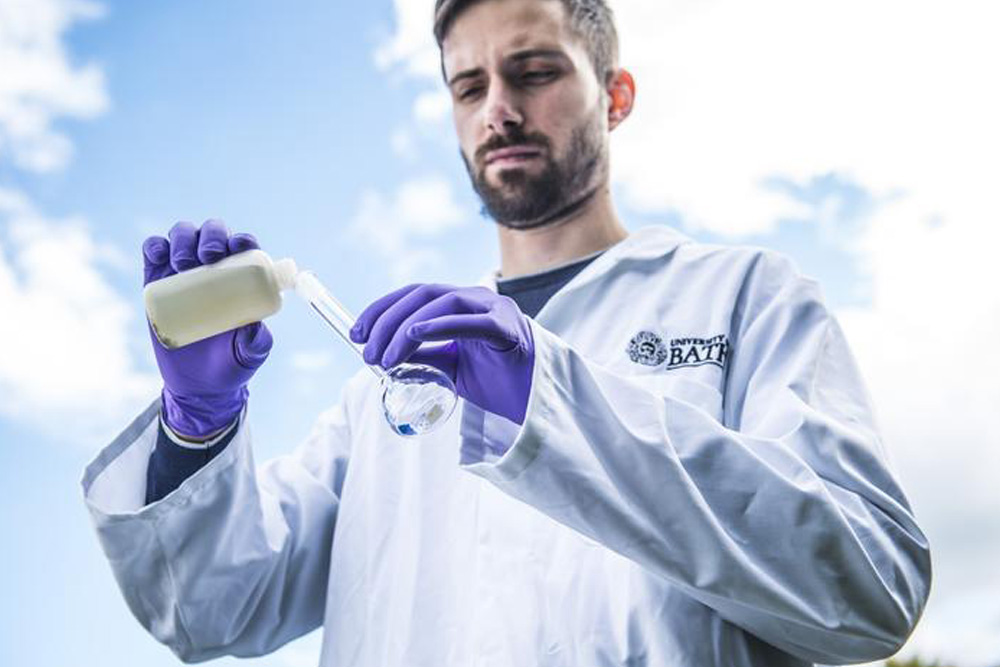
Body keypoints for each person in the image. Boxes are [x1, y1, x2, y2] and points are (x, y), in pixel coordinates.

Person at [82, 0, 931, 665]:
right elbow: (213, 610)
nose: (499, 110)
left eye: (535, 72)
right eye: (469, 86)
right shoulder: (384, 394)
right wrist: (196, 427)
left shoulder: (745, 298)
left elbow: (870, 591)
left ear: (616, 96)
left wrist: (548, 401)